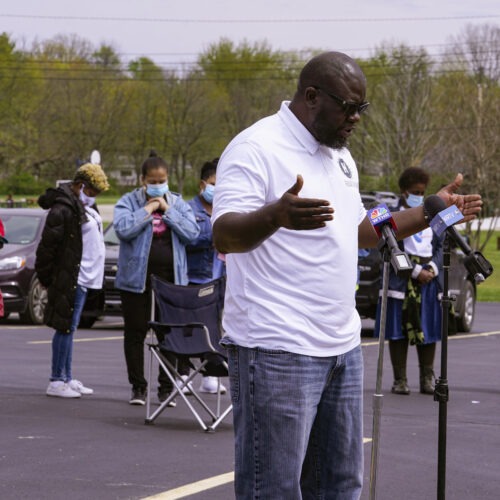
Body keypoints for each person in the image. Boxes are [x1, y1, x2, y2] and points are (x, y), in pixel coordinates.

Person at [211, 51, 482, 499]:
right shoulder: (256, 147)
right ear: (312, 97)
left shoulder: (340, 157)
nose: (356, 118)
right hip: (277, 347)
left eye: (363, 108)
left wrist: (430, 210)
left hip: (341, 347)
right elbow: (224, 236)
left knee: (340, 487)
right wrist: (275, 215)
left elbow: (362, 232)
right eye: (349, 107)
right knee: (273, 490)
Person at [113, 150, 200, 406]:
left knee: (168, 335)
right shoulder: (128, 201)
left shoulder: (178, 202)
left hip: (170, 281)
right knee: (135, 332)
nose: (157, 184)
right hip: (135, 281)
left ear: (167, 179)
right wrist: (148, 209)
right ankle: (138, 388)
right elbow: (123, 228)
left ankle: (165, 388)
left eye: (161, 180)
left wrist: (167, 210)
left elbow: (192, 233)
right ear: (143, 180)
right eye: (152, 180)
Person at [35, 163, 109, 398]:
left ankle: (66, 376)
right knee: (65, 328)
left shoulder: (82, 206)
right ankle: (57, 380)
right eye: (92, 192)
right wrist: (48, 278)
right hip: (72, 277)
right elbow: (48, 247)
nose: (93, 197)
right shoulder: (64, 209)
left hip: (84, 277)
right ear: (81, 186)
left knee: (70, 328)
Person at [374, 167, 446, 395]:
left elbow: (443, 245)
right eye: (416, 192)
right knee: (398, 331)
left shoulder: (432, 214)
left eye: (423, 192)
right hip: (401, 281)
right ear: (404, 192)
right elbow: (386, 246)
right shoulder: (388, 213)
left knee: (428, 328)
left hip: (429, 279)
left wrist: (432, 268)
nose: (420, 196)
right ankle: (400, 380)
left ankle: (427, 378)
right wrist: (414, 271)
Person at [186, 159, 227, 395]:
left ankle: (210, 375)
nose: (217, 189)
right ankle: (183, 374)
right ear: (203, 184)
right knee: (189, 328)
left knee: (214, 328)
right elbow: (188, 239)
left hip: (220, 277)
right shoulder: (190, 209)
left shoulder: (225, 208)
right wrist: (212, 236)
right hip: (196, 277)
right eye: (213, 184)